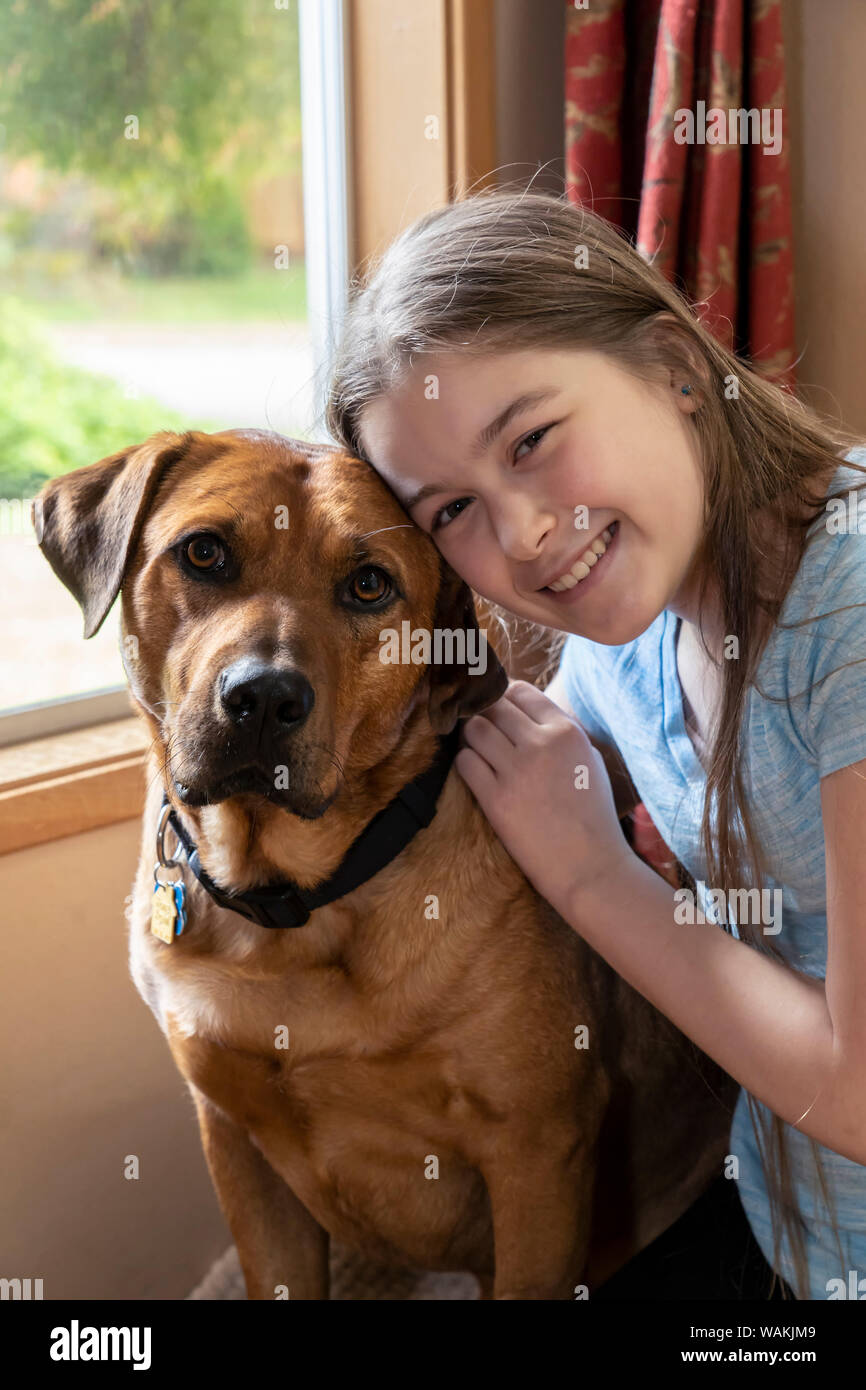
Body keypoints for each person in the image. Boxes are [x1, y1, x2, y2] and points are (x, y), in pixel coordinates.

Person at [324, 186, 866, 1301]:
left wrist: (589, 873)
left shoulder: (848, 610)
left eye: (530, 439)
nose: (518, 534)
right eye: (450, 512)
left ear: (673, 366)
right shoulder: (621, 635)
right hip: (784, 1229)